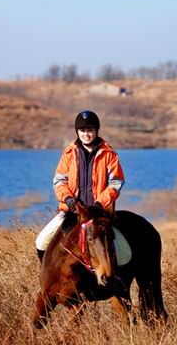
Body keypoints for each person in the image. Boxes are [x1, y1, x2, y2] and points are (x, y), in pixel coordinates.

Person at [36, 110, 125, 262]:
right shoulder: (69, 153)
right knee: (41, 241)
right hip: (72, 213)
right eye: (82, 130)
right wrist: (69, 200)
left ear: (96, 130)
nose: (86, 134)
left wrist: (99, 204)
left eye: (90, 130)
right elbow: (59, 181)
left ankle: (114, 282)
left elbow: (115, 183)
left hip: (99, 213)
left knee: (120, 253)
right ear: (77, 132)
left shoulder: (109, 154)